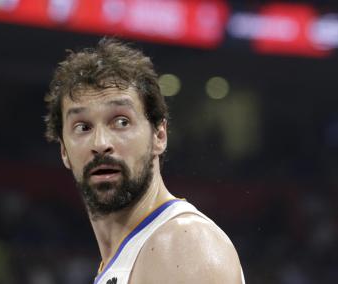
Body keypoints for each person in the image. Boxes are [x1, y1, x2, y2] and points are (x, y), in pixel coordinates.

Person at [44, 38, 245, 284]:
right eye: (83, 126)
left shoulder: (182, 244)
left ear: (159, 136)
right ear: (64, 150)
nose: (100, 143)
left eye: (121, 122)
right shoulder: (131, 257)